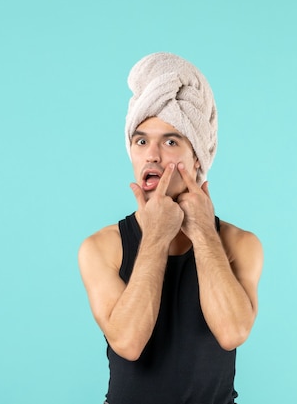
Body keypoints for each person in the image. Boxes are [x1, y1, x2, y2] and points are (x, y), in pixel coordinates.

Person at [78, 52, 263, 404]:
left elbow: (233, 332)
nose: (152, 155)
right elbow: (128, 343)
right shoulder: (101, 248)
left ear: (198, 159)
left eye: (171, 141)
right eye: (141, 141)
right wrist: (156, 236)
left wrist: (205, 234)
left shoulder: (241, 244)